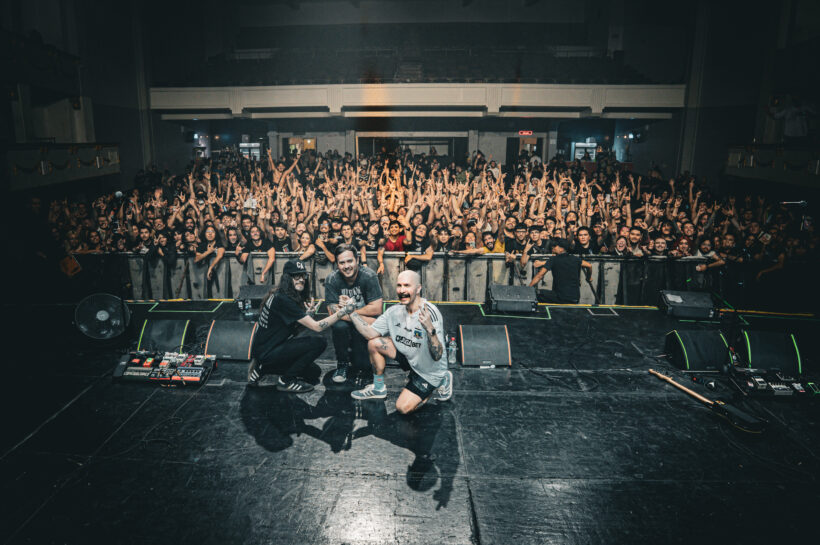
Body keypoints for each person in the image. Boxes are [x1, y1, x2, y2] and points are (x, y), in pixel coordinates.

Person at [346, 270, 453, 413]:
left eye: (407, 285)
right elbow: (369, 333)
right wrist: (352, 313)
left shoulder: (430, 313)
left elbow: (437, 355)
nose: (402, 290)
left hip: (429, 370)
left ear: (418, 289)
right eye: (399, 285)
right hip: (411, 359)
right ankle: (378, 388)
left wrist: (430, 330)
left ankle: (441, 381)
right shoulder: (394, 312)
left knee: (403, 408)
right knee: (374, 343)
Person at [247, 259, 357, 393]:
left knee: (313, 372)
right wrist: (343, 311)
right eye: (296, 276)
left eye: (303, 275)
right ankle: (286, 381)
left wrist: (308, 315)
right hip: (267, 352)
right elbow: (317, 327)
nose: (301, 279)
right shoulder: (283, 299)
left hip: (269, 349)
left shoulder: (282, 295)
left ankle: (262, 368)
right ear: (287, 279)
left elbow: (293, 330)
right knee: (319, 343)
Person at [324, 243, 384, 383]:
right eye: (342, 263)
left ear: (357, 260)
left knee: (362, 364)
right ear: (337, 264)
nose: (346, 266)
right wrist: (352, 315)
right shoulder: (332, 279)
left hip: (364, 320)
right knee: (339, 326)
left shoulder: (369, 276)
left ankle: (363, 363)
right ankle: (342, 364)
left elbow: (376, 308)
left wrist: (349, 311)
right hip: (350, 320)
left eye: (349, 261)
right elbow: (331, 311)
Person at [536, 239, 593, 304]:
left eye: (555, 247)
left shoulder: (553, 259)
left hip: (560, 298)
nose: (553, 248)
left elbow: (539, 276)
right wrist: (588, 277)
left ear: (562, 248)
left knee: (537, 293)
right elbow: (589, 265)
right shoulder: (575, 259)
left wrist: (528, 288)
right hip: (575, 298)